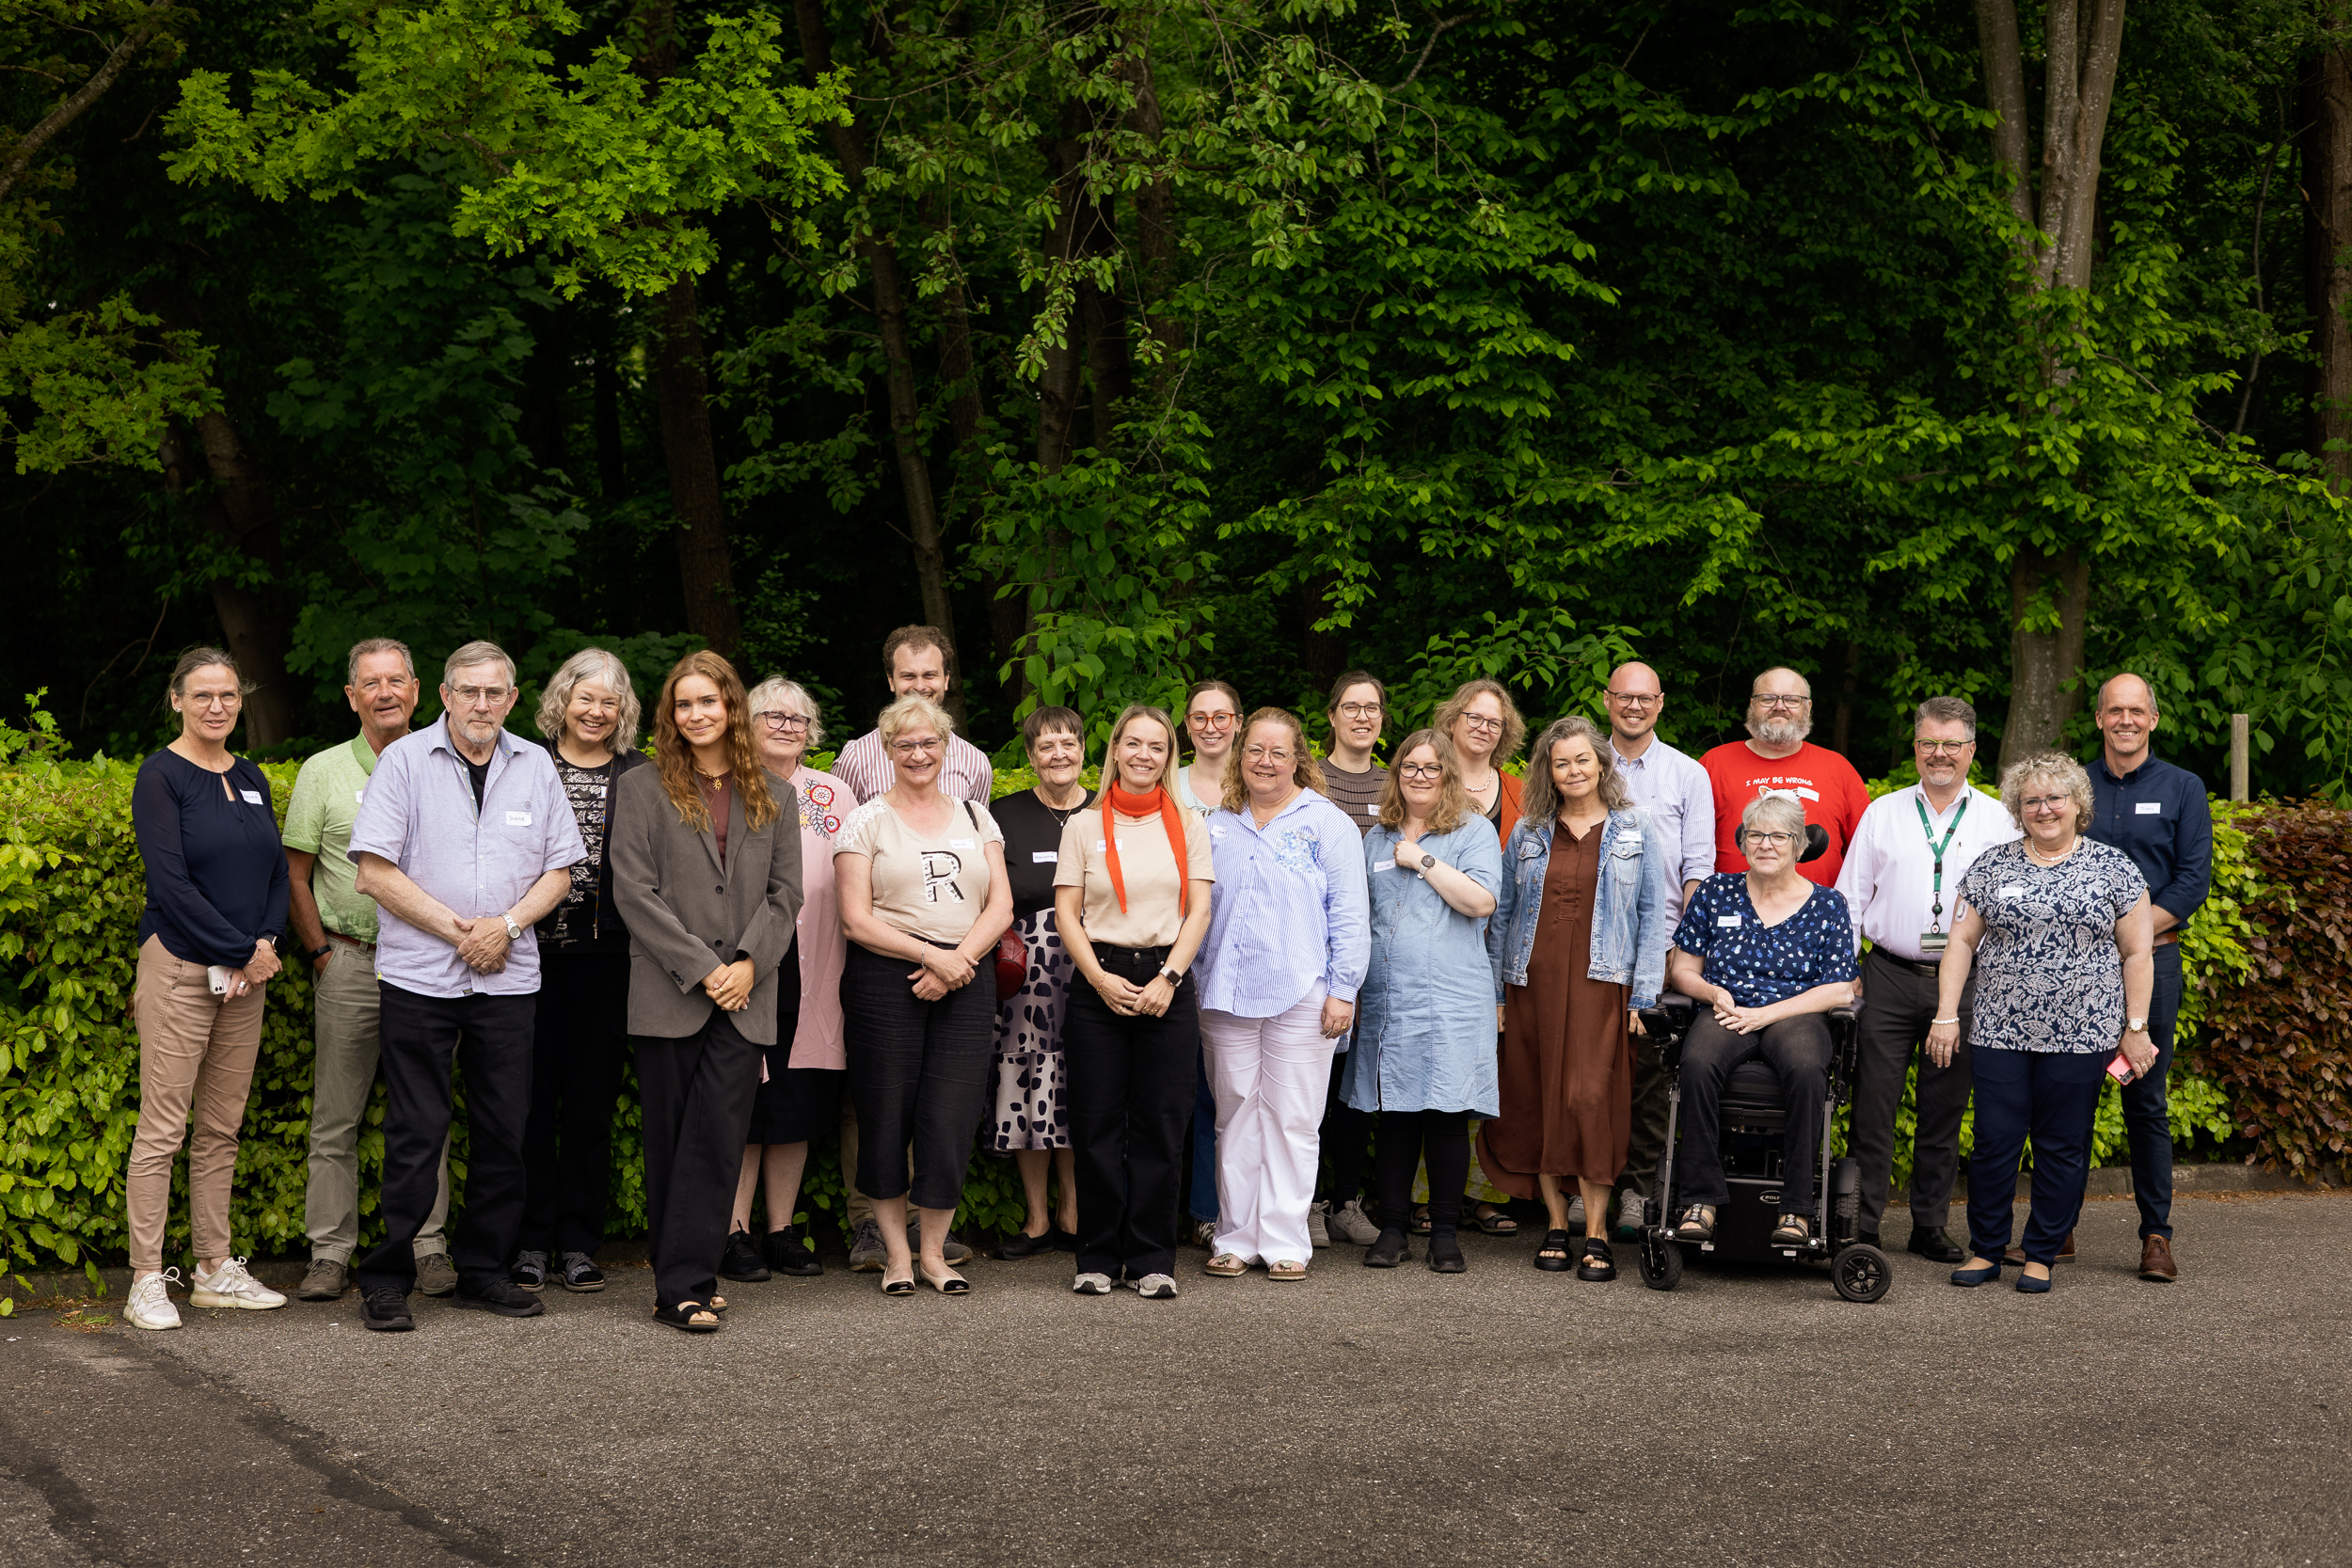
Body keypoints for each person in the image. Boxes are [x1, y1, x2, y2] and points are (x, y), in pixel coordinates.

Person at [348, 641, 584, 1333]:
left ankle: (483, 1269)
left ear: (513, 699)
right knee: (416, 1132)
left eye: (495, 692)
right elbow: (374, 872)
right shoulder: (403, 762)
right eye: (468, 691)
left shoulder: (535, 764)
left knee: (504, 1133)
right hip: (421, 977)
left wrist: (505, 927)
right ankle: (388, 1276)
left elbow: (560, 871)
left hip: (509, 983)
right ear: (445, 695)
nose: (482, 704)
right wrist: (463, 933)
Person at [609, 651, 804, 1332]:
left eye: (709, 702)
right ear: (672, 714)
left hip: (747, 994)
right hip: (671, 991)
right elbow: (634, 891)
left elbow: (788, 895)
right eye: (684, 704)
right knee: (670, 1139)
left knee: (719, 1136)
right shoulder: (640, 787)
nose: (696, 714)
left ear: (732, 708)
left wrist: (749, 963)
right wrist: (702, 966)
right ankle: (683, 1279)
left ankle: (684, 1279)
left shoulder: (776, 794)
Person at [1934, 752, 2156, 1295]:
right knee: (1993, 1141)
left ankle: (2041, 1255)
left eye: (2056, 798)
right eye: (2031, 800)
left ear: (2078, 804)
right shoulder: (1990, 867)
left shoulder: (2114, 868)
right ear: (2017, 809)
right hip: (1998, 1029)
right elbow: (1960, 942)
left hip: (2083, 1034)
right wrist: (1946, 1015)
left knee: (2061, 1144)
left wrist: (2136, 1025)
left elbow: (2137, 955)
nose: (2044, 808)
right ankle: (1986, 1248)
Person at [121, 648, 293, 1332]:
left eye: (227, 695)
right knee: (163, 1129)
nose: (216, 706)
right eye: (202, 696)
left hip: (245, 975)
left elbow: (278, 872)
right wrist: (242, 951)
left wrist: (268, 946)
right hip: (184, 967)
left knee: (221, 1127)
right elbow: (171, 886)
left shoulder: (250, 775)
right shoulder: (161, 777)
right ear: (177, 700)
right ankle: (144, 1279)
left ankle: (214, 1268)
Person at [284, 638, 456, 1305]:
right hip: (352, 963)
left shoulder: (447, 764)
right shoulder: (322, 771)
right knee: (337, 1118)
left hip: (431, 968)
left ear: (417, 691)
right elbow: (296, 876)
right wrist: (322, 955)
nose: (385, 692)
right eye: (370, 683)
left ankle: (428, 1246)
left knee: (425, 1112)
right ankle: (329, 1253)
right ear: (352, 696)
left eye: (396, 681)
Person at [834, 694, 1014, 1294]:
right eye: (904, 744)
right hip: (887, 979)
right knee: (885, 1115)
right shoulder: (864, 820)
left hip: (967, 974)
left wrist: (958, 959)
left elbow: (1002, 905)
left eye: (928, 743)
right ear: (886, 751)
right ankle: (897, 1258)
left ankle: (934, 1255)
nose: (918, 753)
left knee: (950, 1116)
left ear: (945, 748)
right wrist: (930, 956)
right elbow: (856, 919)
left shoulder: (974, 813)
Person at [1479, 717, 1672, 1281]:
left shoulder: (1635, 828)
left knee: (1591, 1099)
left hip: (1602, 985)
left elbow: (1650, 916)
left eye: (1582, 760)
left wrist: (1646, 995)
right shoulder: (1529, 831)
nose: (1573, 771)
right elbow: (1505, 915)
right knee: (1541, 1098)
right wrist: (1496, 993)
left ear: (1601, 763)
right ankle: (1557, 1226)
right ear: (1549, 771)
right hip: (1531, 984)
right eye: (1561, 763)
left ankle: (1598, 1231)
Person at [1833, 696, 2017, 1265]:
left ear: (1971, 751)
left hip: (1963, 983)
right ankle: (1863, 1226)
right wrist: (1847, 973)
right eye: (1929, 743)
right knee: (1874, 1107)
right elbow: (1849, 899)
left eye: (1952, 744)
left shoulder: (1998, 819)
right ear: (1916, 749)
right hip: (1886, 975)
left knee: (1944, 1107)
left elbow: (2009, 906)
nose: (1940, 754)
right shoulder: (1882, 812)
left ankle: (1930, 1224)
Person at [1192, 708, 1370, 1281]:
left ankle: (1287, 1238)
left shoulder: (1326, 823)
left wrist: (1344, 990)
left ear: (1299, 760)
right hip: (1226, 990)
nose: (1265, 762)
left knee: (1294, 1116)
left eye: (1279, 753)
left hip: (1304, 990)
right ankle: (1236, 1237)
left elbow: (1349, 913)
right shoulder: (1216, 824)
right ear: (1240, 756)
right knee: (1235, 1113)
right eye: (1255, 751)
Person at [1054, 705, 1216, 1296]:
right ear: (1116, 750)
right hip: (1100, 979)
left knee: (1161, 1125)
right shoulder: (1084, 825)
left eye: (1157, 746)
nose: (1144, 755)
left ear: (1168, 756)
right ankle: (1097, 1257)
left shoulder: (1190, 824)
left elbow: (1198, 910)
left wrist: (1169, 978)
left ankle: (1152, 1260)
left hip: (1165, 978)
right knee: (1096, 1124)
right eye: (1134, 744)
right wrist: (1097, 978)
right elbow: (1067, 914)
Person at [511, 648, 648, 1294]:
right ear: (562, 699)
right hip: (527, 958)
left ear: (623, 711)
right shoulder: (525, 763)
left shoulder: (641, 774)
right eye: (585, 697)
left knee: (591, 1105)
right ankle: (530, 1241)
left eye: (609, 701)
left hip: (608, 961)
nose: (596, 710)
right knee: (531, 1105)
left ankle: (579, 1242)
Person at [1663, 794, 1858, 1249]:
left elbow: (1840, 989)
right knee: (1696, 1064)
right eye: (1756, 834)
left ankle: (1796, 1208)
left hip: (1794, 1014)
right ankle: (1701, 1201)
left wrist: (1768, 1014)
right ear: (1743, 841)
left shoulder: (1828, 904)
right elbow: (1682, 970)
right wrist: (1714, 993)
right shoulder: (1715, 892)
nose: (1765, 844)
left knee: (1809, 1069)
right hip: (1727, 1009)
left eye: (1779, 836)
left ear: (1798, 845)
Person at [1345, 730, 1502, 1273]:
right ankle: (1391, 1229)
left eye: (1431, 769)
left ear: (1448, 777)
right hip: (1388, 998)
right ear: (1396, 774)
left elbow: (1482, 901)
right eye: (1409, 767)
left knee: (1446, 1114)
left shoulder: (1473, 831)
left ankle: (1445, 1233)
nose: (1418, 776)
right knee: (1394, 1116)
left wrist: (1422, 861)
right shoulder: (1374, 838)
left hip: (1453, 999)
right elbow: (1355, 915)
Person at [2084, 673, 2211, 1283]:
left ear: (2153, 720)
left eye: (2137, 710)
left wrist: (2131, 934)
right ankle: (2055, 1231)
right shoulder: (2073, 785)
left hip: (2154, 961)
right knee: (2067, 1097)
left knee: (2146, 1101)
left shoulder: (2183, 788)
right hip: (2077, 964)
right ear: (2101, 717)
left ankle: (2156, 1235)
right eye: (2116, 710)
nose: (2126, 719)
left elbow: (2191, 883)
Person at [724, 677, 849, 1280]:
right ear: (747, 722)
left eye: (798, 719)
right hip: (749, 961)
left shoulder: (833, 793)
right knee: (745, 1098)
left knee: (797, 1100)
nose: (785, 725)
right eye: (771, 715)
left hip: (816, 963)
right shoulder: (729, 786)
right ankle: (732, 1231)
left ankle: (781, 1229)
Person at [1599, 660, 1714, 1242]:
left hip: (1663, 948)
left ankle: (1637, 1191)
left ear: (1661, 703)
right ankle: (1584, 1185)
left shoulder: (1688, 775)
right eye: (1625, 697)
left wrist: (1681, 948)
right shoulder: (1584, 763)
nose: (1635, 706)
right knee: (1590, 1070)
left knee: (1648, 1076)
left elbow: (1698, 870)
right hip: (1591, 945)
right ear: (1607, 700)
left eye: (1645, 698)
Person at [985, 707, 1092, 1260]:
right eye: (1046, 746)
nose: (1058, 754)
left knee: (1080, 1084)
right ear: (1030, 757)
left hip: (1094, 968)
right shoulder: (1003, 816)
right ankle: (1036, 1219)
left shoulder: (1105, 813)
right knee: (1030, 1084)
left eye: (1068, 743)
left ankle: (1075, 1214)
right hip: (1026, 974)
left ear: (1082, 751)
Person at [1431, 677, 1530, 1237]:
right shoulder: (1429, 781)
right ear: (1452, 720)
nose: (1483, 727)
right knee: (1438, 1068)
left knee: (1494, 1071)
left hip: (1504, 946)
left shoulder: (1519, 792)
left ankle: (1488, 1191)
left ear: (1505, 731)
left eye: (1493, 720)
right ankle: (1430, 1194)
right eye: (1473, 716)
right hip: (1443, 943)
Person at [1311, 671, 1388, 1248]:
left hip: (1382, 957)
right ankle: (1309, 1199)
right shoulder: (1308, 781)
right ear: (1332, 716)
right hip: (1319, 955)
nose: (1363, 717)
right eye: (1352, 707)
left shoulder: (1396, 784)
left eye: (1373, 708)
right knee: (1315, 1082)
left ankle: (1348, 1200)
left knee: (1361, 1086)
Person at [1171, 678, 1243, 1247]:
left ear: (1237, 722)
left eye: (1222, 716)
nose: (1211, 726)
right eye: (1200, 717)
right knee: (1187, 1089)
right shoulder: (1167, 785)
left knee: (1234, 1091)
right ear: (1187, 725)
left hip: (1242, 953)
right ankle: (1193, 1208)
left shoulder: (1259, 782)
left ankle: (1226, 1207)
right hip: (1176, 952)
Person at [1698, 667, 1869, 888]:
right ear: (1752, 705)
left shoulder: (1838, 768)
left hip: (1819, 915)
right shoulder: (1714, 764)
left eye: (1792, 700)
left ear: (1808, 707)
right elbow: (1692, 850)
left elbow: (1866, 853)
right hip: (1731, 912)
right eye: (1768, 698)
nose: (1779, 707)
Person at [832, 626, 993, 807]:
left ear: (946, 679)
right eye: (908, 676)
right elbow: (839, 830)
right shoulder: (857, 758)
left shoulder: (975, 763)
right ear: (891, 681)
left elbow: (975, 832)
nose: (919, 686)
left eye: (929, 675)